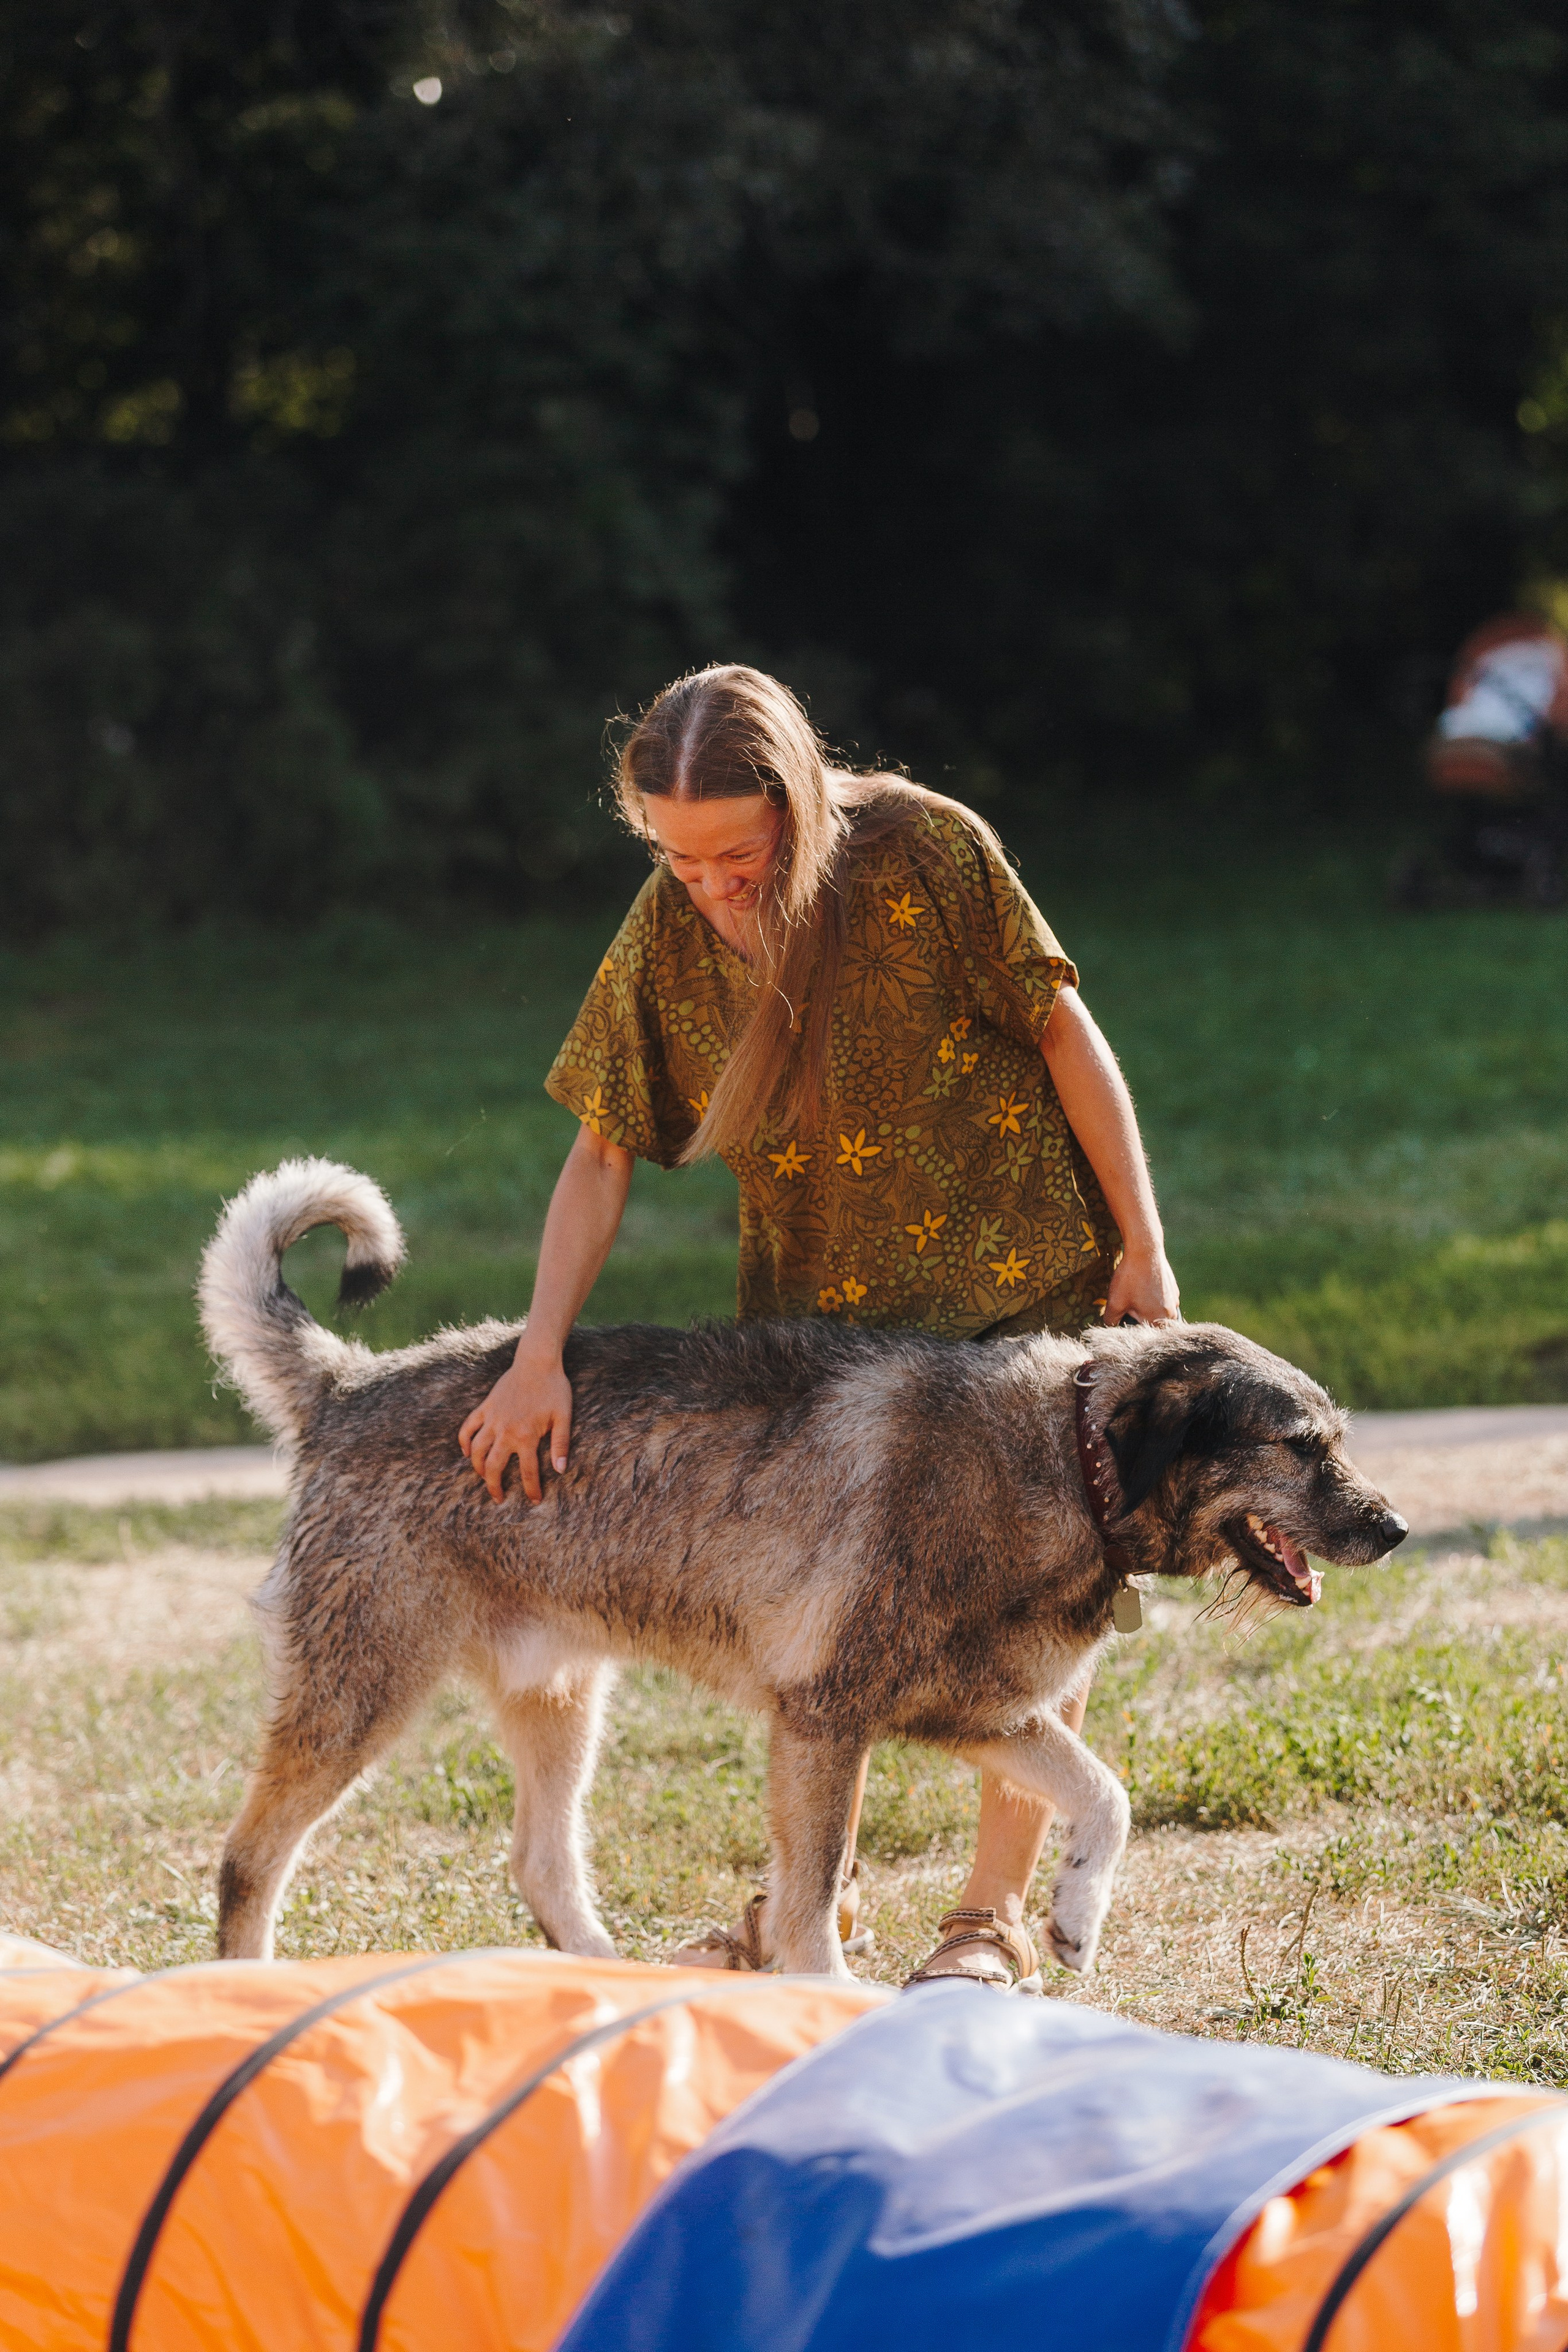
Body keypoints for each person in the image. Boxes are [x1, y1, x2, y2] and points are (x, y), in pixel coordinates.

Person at [459, 665, 1180, 1988]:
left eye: (735, 854)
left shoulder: (926, 850)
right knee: (820, 1632)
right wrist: (539, 1353)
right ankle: (810, 1912)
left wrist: (1140, 1244)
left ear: (795, 803)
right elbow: (601, 1154)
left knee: (1033, 1606)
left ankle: (988, 1921)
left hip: (1016, 1295)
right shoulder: (672, 928)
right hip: (823, 1338)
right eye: (678, 861)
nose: (710, 886)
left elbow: (1063, 1031)